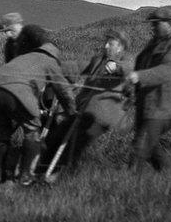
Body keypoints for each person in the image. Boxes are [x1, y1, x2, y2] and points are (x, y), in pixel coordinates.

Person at [0, 24, 77, 185]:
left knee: (4, 131)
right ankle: (25, 177)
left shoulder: (25, 57)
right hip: (14, 90)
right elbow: (63, 90)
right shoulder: (50, 61)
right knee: (32, 131)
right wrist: (72, 111)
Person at [46, 29, 135, 173]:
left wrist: (116, 67)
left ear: (120, 47)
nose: (105, 46)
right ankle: (44, 169)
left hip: (103, 116)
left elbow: (128, 69)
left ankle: (58, 175)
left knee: (76, 142)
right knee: (59, 133)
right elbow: (79, 66)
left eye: (110, 43)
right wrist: (55, 68)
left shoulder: (126, 60)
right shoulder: (98, 59)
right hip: (84, 110)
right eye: (105, 42)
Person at [124, 7, 171, 172]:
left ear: (169, 24)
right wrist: (128, 82)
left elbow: (168, 71)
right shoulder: (153, 43)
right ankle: (169, 178)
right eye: (152, 24)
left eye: (156, 24)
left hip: (165, 107)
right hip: (147, 106)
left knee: (141, 147)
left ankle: (129, 188)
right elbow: (140, 65)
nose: (152, 28)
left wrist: (139, 76)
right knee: (151, 147)